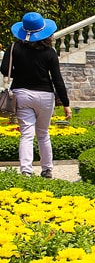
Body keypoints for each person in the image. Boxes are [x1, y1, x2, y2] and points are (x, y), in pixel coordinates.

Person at [0, 12, 72, 177]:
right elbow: (57, 80)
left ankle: (26, 170)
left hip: (22, 93)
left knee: (26, 134)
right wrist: (66, 104)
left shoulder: (14, 48)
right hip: (45, 95)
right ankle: (47, 169)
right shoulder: (50, 52)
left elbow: (5, 70)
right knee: (43, 133)